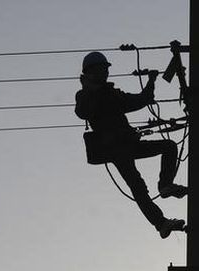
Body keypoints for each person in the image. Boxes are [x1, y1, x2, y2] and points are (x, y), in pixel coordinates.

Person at [74, 51, 187, 239]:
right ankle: (161, 217)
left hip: (125, 145)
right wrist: (150, 82)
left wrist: (151, 81)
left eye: (105, 70)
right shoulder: (90, 95)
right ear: (92, 71)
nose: (105, 73)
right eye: (102, 70)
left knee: (167, 148)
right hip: (116, 149)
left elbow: (140, 100)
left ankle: (165, 192)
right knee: (139, 186)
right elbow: (83, 112)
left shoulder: (106, 93)